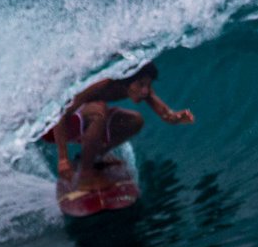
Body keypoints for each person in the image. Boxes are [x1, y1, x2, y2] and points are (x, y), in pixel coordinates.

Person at [41, 62, 194, 186]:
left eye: (148, 85)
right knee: (99, 110)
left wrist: (177, 118)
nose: (145, 91)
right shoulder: (103, 84)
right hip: (54, 128)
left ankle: (91, 157)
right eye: (141, 85)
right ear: (128, 79)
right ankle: (85, 173)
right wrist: (63, 159)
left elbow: (166, 114)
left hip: (86, 122)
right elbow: (60, 114)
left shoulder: (141, 88)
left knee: (135, 120)